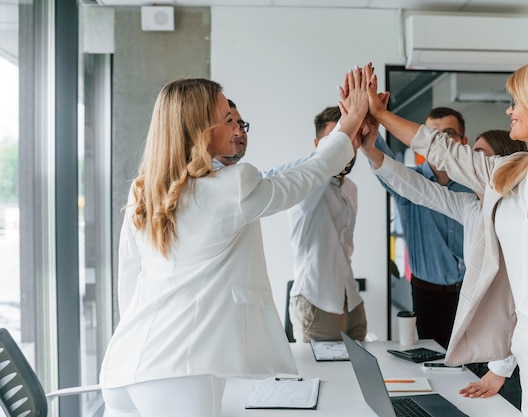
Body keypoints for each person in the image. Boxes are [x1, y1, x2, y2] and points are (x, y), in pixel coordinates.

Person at [362, 57, 528, 417]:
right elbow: (442, 149)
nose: (508, 110)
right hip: (527, 346)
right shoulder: (509, 174)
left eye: (516, 102)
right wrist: (379, 115)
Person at [99, 71, 370, 417]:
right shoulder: (230, 186)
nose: (238, 128)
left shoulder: (144, 190)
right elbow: (308, 174)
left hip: (127, 362)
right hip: (179, 371)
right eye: (228, 120)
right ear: (200, 130)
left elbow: (129, 278)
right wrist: (350, 123)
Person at [360, 128, 526, 409]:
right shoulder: (471, 206)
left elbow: (520, 299)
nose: (467, 161)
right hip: (488, 351)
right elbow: (418, 188)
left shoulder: (515, 217)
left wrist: (500, 369)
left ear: (501, 164)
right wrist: (369, 150)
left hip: (511, 360)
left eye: (478, 155)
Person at [374, 106, 473, 349]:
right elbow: (381, 161)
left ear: (463, 141)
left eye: (448, 133)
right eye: (431, 134)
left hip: (472, 293)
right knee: (436, 362)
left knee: (475, 364)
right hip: (429, 295)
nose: (439, 141)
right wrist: (372, 117)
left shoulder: (474, 186)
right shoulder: (409, 182)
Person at [287, 105, 367, 343]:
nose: (347, 147)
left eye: (351, 139)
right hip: (316, 299)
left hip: (350, 297)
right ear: (318, 144)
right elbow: (322, 167)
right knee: (323, 377)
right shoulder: (304, 183)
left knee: (361, 372)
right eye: (337, 140)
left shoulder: (351, 188)